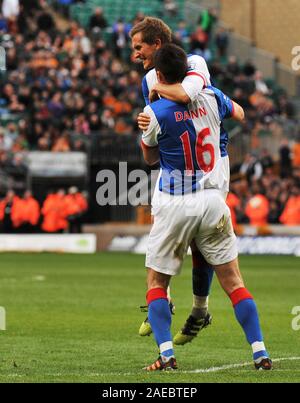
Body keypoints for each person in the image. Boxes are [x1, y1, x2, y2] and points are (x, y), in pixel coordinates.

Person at [140, 43, 272, 371]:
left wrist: (149, 128)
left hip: (175, 203)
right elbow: (239, 113)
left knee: (157, 284)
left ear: (159, 75)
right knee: (235, 282)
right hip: (213, 201)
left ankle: (167, 353)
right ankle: (260, 351)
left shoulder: (154, 112)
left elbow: (149, 158)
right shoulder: (212, 96)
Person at [130, 16, 221, 345]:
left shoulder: (195, 62)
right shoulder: (148, 81)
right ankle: (162, 303)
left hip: (210, 166)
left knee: (202, 244)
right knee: (161, 239)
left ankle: (200, 310)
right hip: (175, 169)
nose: (135, 55)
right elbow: (157, 121)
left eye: (139, 47)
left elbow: (185, 96)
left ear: (157, 44)